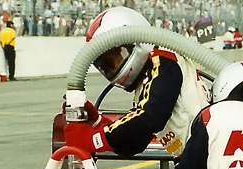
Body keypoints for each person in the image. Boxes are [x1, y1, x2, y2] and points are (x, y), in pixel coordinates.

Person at [63, 6, 210, 159]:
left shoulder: (163, 60)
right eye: (105, 66)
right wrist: (99, 123)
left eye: (115, 57)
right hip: (195, 160)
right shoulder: (147, 77)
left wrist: (97, 138)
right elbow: (137, 142)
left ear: (134, 40)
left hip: (206, 159)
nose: (112, 68)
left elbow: (150, 117)